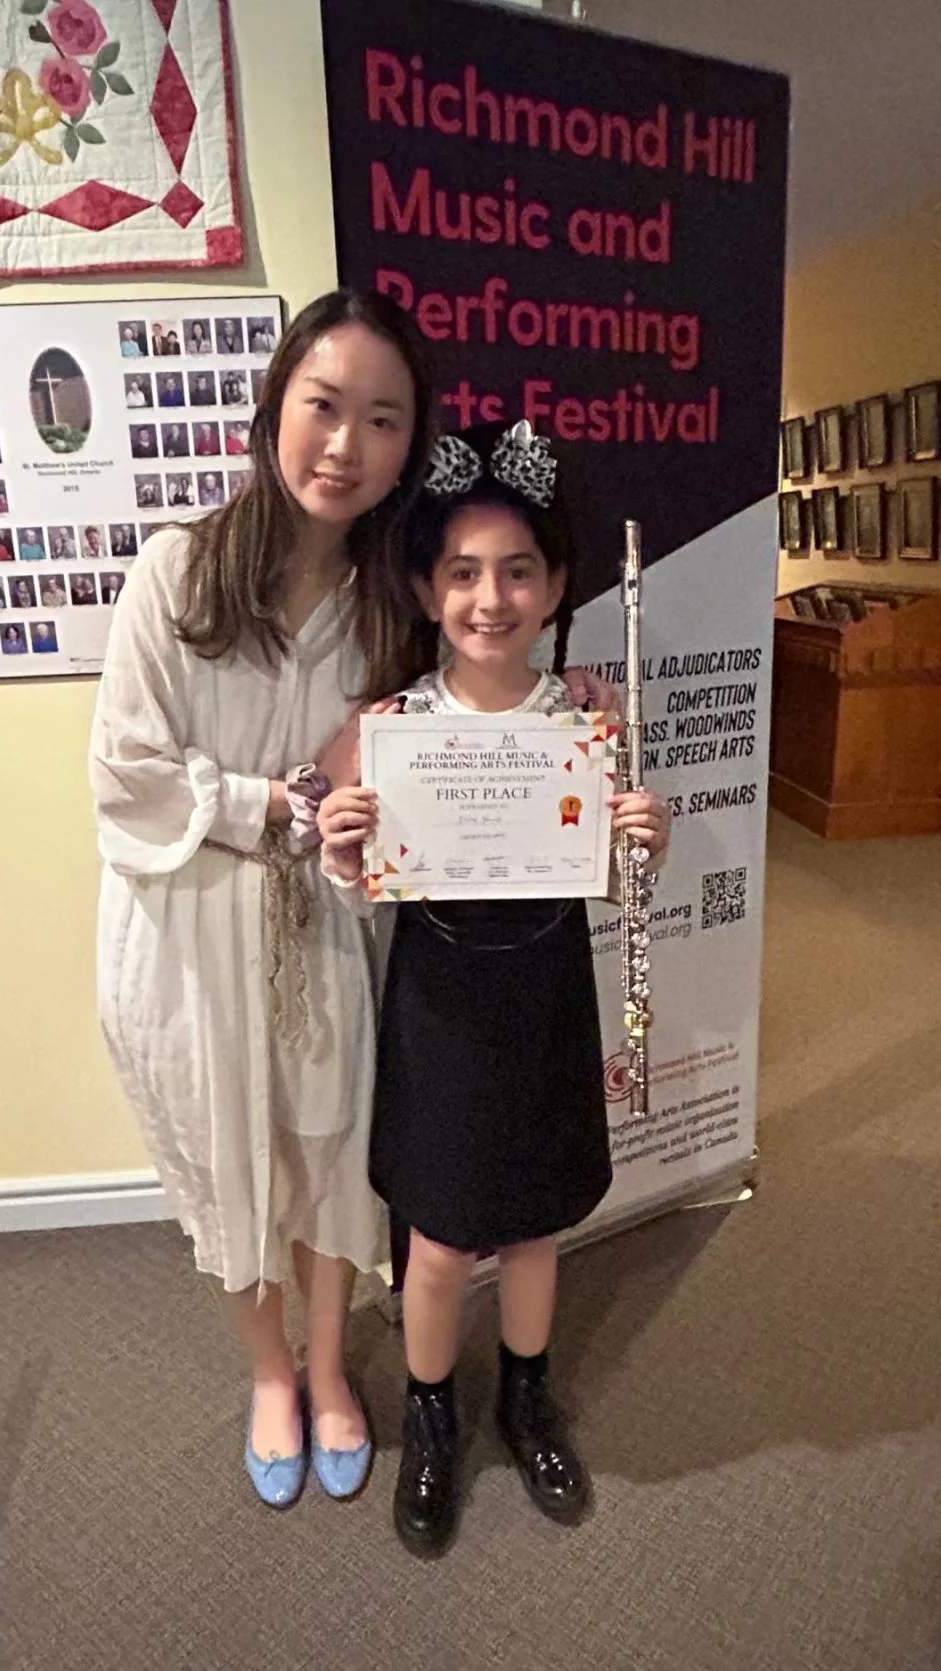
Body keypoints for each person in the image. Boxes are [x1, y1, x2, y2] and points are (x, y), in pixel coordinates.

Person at [90, 288, 614, 1514]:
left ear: (408, 444)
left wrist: (569, 713)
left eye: (383, 420)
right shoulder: (178, 573)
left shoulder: (389, 599)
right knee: (229, 1160)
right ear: (275, 401)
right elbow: (127, 774)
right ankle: (269, 1375)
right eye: (324, 406)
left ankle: (332, 1370)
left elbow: (468, 713)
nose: (345, 445)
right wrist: (279, 804)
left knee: (327, 1152)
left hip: (328, 923)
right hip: (189, 926)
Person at [316, 420, 668, 1557]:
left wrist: (644, 838)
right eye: (462, 572)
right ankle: (430, 1417)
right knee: (434, 1240)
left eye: (518, 571)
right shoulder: (389, 729)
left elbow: (617, 876)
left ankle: (525, 1395)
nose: (489, 597)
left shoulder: (587, 720)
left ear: (556, 585)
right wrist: (341, 847)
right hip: (439, 1007)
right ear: (428, 589)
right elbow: (353, 885)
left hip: (546, 995)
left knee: (530, 1229)